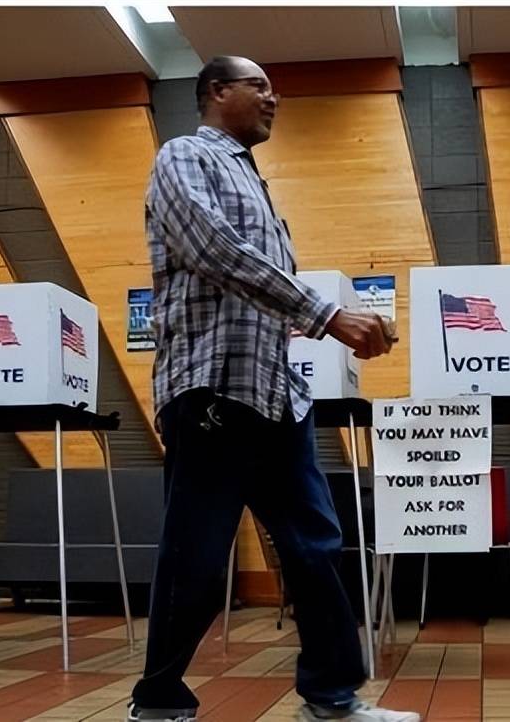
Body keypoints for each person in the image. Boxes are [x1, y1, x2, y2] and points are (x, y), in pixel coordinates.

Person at [128, 56, 418, 722]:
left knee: (316, 545)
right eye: (257, 85)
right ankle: (158, 700)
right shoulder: (184, 157)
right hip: (210, 389)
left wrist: (312, 331)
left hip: (275, 396)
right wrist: (329, 316)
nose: (272, 97)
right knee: (198, 554)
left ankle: (331, 696)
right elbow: (214, 250)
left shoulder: (255, 184)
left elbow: (258, 289)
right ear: (216, 91)